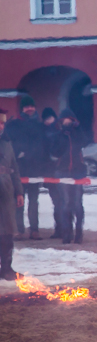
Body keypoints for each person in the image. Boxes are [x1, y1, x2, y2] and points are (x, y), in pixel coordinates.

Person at [5, 95, 46, 240]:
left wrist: (33, 155)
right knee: (19, 201)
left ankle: (34, 230)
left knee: (34, 202)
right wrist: (20, 153)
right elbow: (9, 145)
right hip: (19, 170)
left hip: (34, 169)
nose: (30, 109)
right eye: (27, 106)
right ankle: (19, 230)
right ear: (22, 108)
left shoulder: (39, 125)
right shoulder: (13, 125)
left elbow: (43, 145)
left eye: (32, 106)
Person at [51, 109, 87, 244]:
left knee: (78, 204)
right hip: (63, 171)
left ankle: (79, 233)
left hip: (78, 172)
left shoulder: (78, 134)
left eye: (69, 120)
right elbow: (54, 152)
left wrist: (77, 131)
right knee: (65, 204)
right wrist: (62, 137)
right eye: (64, 120)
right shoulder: (57, 135)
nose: (67, 122)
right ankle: (67, 233)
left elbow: (85, 141)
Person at [0, 109, 25, 280]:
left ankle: (6, 268)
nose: (0, 126)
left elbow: (15, 169)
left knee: (7, 231)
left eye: (2, 123)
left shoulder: (7, 142)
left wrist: (19, 192)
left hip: (6, 189)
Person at [42, 107, 63, 239]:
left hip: (61, 171)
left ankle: (63, 229)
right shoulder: (56, 131)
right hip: (51, 172)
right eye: (46, 118)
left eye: (50, 118)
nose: (49, 121)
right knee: (57, 203)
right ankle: (60, 229)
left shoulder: (59, 132)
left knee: (62, 202)